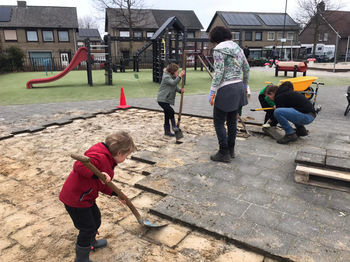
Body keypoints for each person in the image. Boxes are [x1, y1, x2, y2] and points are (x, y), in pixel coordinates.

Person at [59, 131, 136, 262]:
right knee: (87, 227)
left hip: (86, 198)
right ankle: (81, 258)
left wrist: (116, 193)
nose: (125, 159)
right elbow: (79, 165)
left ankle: (91, 243)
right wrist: (97, 174)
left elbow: (102, 184)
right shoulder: (99, 156)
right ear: (119, 153)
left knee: (96, 219)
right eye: (126, 156)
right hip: (76, 199)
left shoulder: (108, 160)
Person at [208, 26, 250, 162]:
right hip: (238, 87)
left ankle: (223, 152)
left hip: (226, 88)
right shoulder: (239, 49)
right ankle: (231, 150)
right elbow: (247, 68)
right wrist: (245, 85)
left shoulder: (218, 50)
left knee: (219, 121)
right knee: (232, 121)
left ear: (215, 38)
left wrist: (213, 91)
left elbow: (219, 72)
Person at [157, 63, 186, 136]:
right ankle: (174, 127)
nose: (178, 73)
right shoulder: (166, 77)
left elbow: (174, 86)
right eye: (177, 72)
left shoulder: (171, 77)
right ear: (172, 72)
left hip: (166, 100)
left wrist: (180, 90)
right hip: (162, 99)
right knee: (171, 111)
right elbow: (173, 83)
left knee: (167, 114)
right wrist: (180, 76)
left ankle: (167, 131)